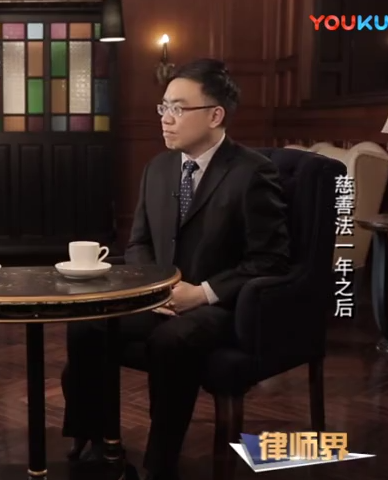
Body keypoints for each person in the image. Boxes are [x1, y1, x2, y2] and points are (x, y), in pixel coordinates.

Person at [62, 59, 291, 480]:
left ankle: (160, 462)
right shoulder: (159, 168)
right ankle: (98, 444)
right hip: (160, 298)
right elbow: (139, 243)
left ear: (215, 115)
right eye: (163, 107)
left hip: (219, 306)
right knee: (86, 326)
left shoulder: (252, 172)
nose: (166, 119)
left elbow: (270, 259)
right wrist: (154, 290)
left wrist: (201, 293)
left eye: (178, 109)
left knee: (172, 340)